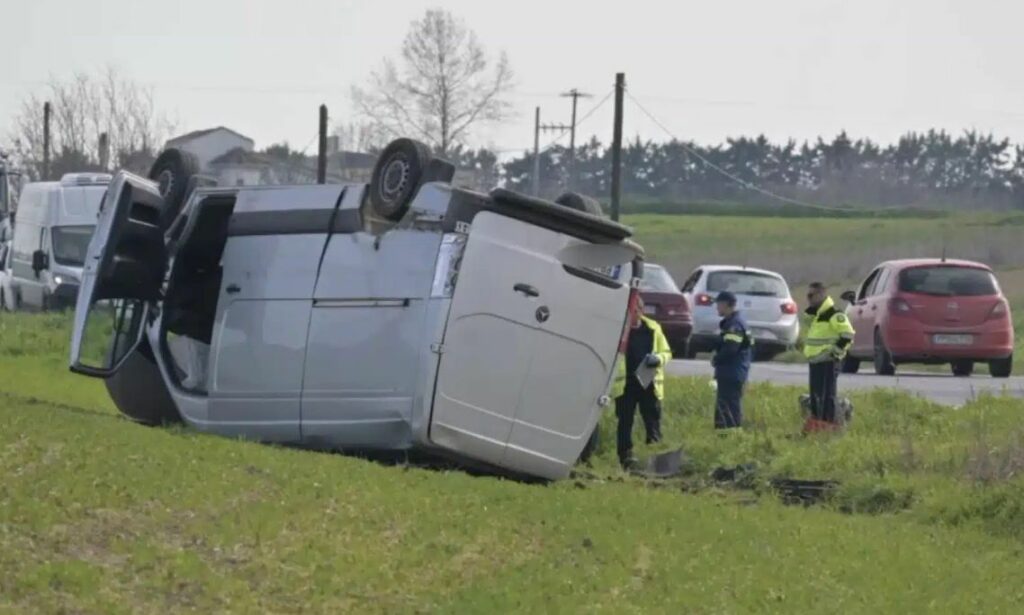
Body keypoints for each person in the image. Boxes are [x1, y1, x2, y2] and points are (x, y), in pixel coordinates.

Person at [612, 297, 672, 468]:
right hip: (626, 384)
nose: (631, 314)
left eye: (634, 311)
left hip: (648, 382)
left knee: (652, 421)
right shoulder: (620, 329)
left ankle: (654, 456)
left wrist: (658, 358)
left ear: (641, 311)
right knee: (625, 421)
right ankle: (626, 458)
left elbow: (666, 352)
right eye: (628, 311)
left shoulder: (653, 328)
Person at [803, 282, 856, 431]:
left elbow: (847, 334)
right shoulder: (818, 315)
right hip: (816, 361)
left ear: (821, 295)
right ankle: (817, 425)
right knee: (816, 396)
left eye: (811, 295)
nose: (809, 299)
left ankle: (831, 426)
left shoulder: (834, 314)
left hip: (828, 361)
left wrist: (835, 353)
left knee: (827, 396)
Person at [710, 291, 753, 429]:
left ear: (726, 305)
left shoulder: (734, 325)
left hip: (731, 372)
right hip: (733, 372)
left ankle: (729, 437)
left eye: (718, 304)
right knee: (726, 407)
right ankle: (723, 439)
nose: (717, 307)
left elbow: (731, 349)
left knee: (728, 410)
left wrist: (716, 359)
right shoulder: (733, 323)